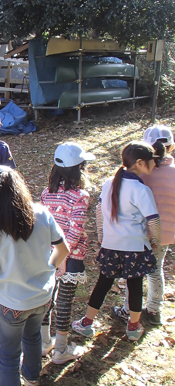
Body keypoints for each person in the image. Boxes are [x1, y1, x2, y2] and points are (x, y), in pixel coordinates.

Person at [0, 165, 69, 386]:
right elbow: (63, 249)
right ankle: (32, 379)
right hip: (42, 296)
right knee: (33, 336)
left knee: (8, 355)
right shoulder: (42, 213)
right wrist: (49, 268)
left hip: (11, 301)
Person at [72, 142, 160, 342]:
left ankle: (86, 322)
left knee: (102, 284)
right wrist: (155, 240)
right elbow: (153, 219)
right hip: (135, 247)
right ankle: (133, 327)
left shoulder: (109, 183)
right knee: (135, 286)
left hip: (111, 246)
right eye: (152, 161)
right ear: (139, 163)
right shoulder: (140, 189)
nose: (154, 165)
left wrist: (103, 235)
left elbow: (99, 211)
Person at [40, 142, 95, 364]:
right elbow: (76, 229)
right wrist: (62, 257)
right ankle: (60, 350)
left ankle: (45, 342)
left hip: (47, 254)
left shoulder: (46, 193)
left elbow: (44, 227)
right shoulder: (80, 196)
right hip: (70, 257)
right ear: (79, 168)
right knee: (64, 301)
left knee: (45, 298)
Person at [114, 126, 175, 326]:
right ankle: (154, 309)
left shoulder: (143, 173)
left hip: (141, 233)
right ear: (172, 146)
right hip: (167, 234)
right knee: (156, 270)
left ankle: (128, 310)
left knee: (134, 272)